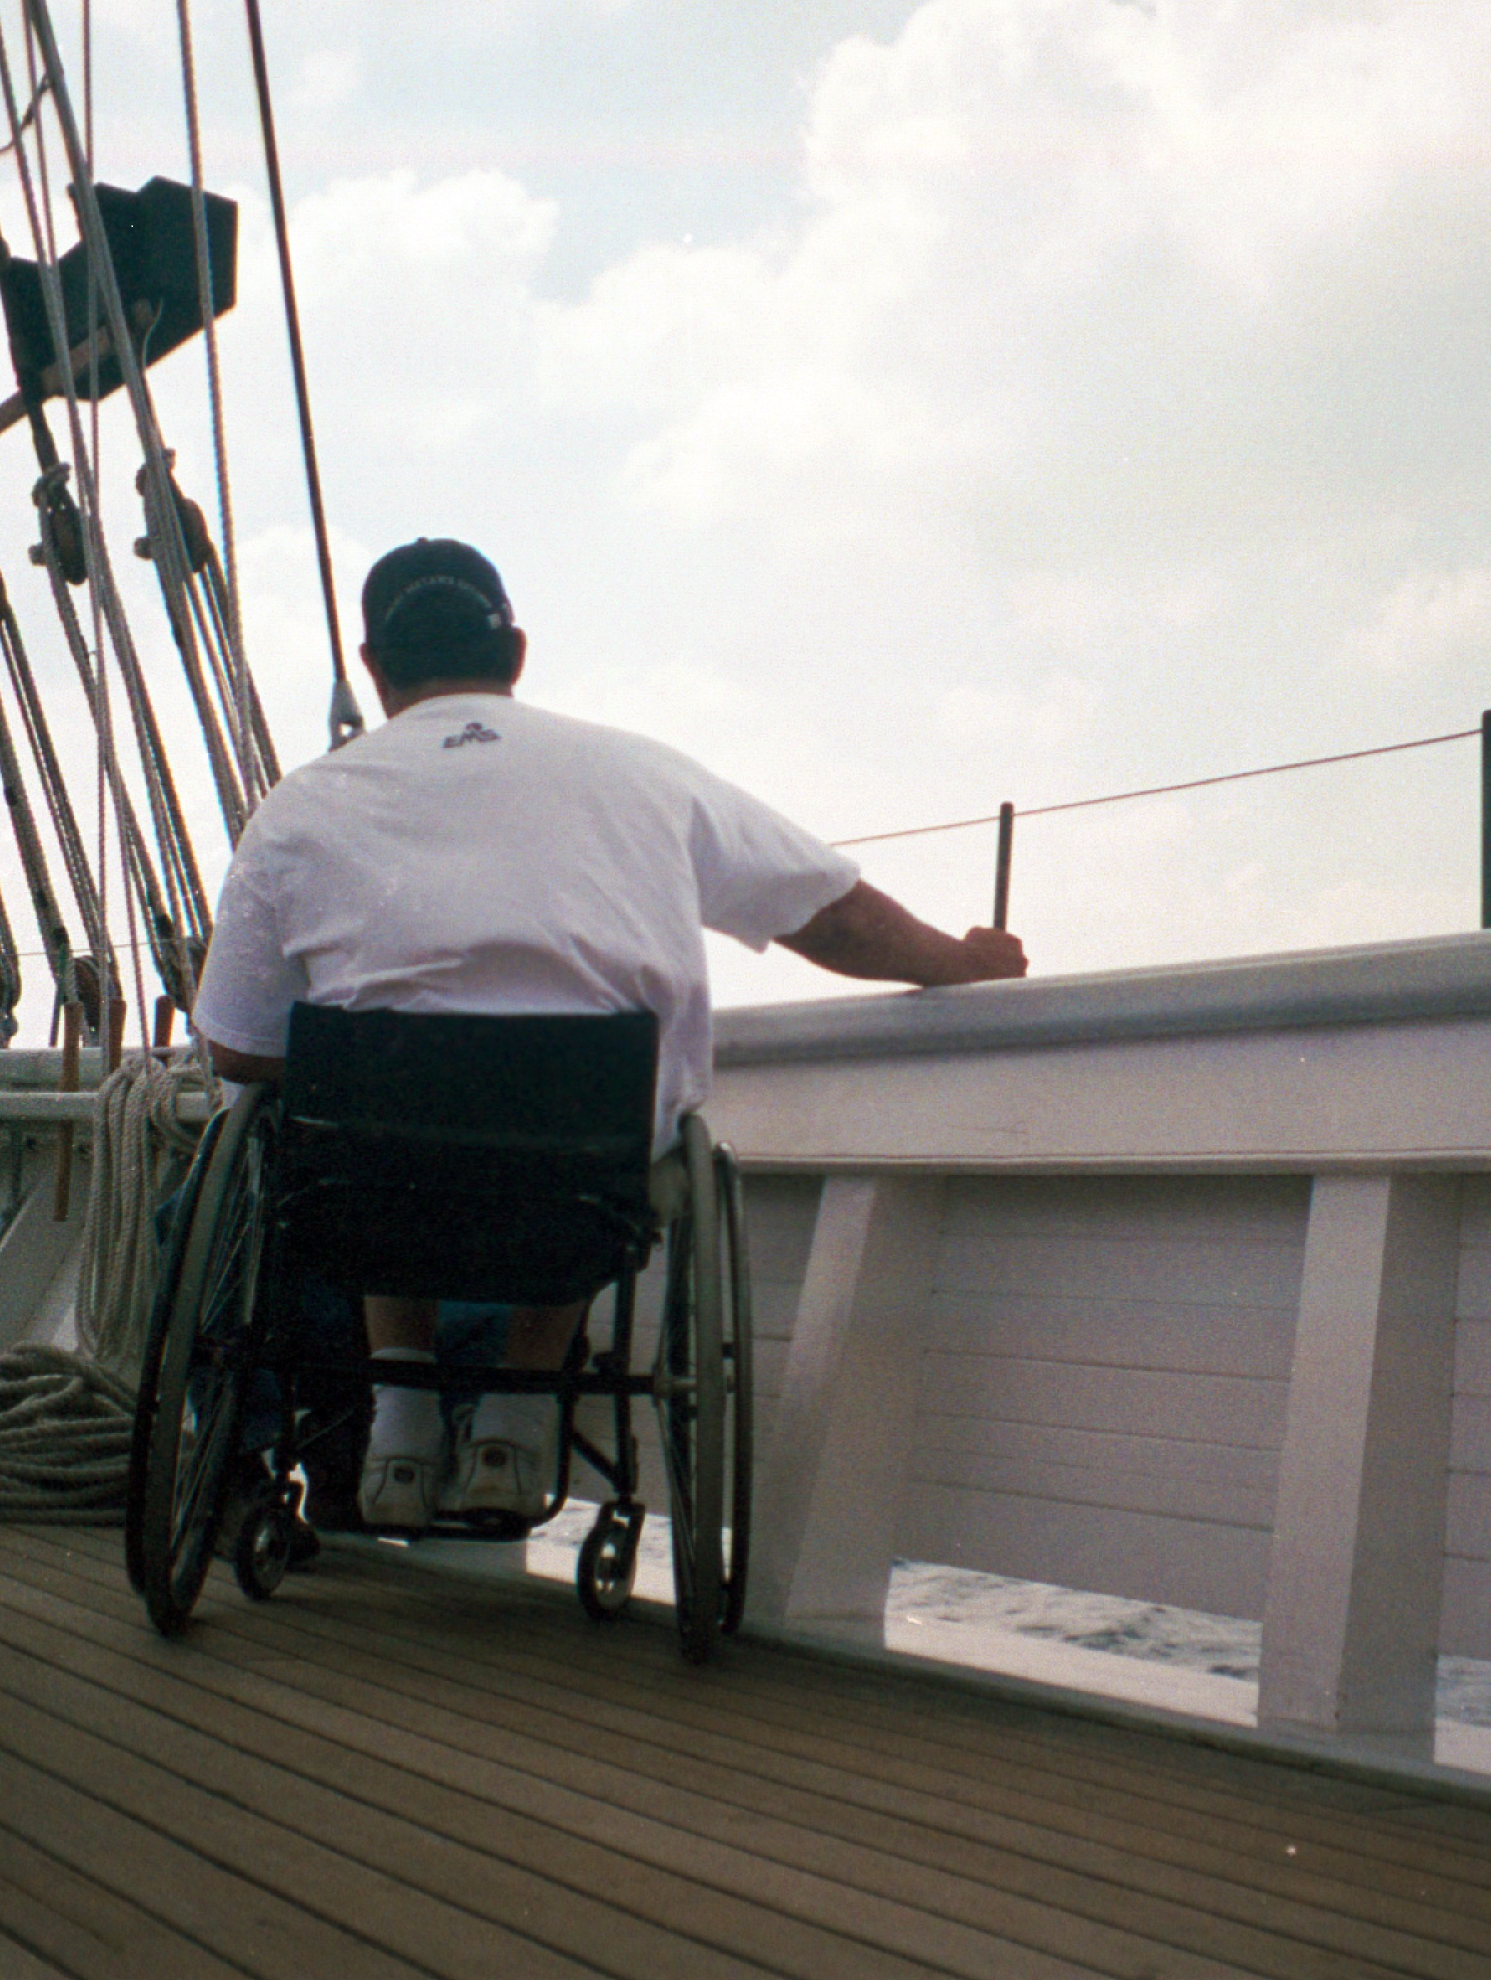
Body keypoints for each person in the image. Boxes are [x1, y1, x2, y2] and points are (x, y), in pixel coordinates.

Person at [190, 538, 1025, 1529]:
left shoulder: (298, 806)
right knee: (599, 1135)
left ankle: (402, 1431)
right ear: (518, 653)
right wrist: (961, 962)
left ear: (373, 667)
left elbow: (237, 1048)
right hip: (588, 1189)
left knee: (381, 1139)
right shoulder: (643, 773)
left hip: (372, 1189)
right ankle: (511, 1427)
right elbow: (833, 916)